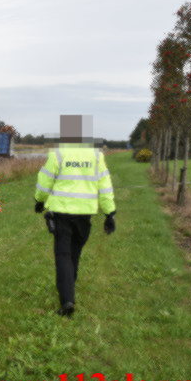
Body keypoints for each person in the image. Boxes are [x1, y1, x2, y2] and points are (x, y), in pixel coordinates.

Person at [34, 116, 116, 317]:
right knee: (75, 254)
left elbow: (45, 181)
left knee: (63, 255)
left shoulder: (58, 154)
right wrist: (109, 213)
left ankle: (67, 300)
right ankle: (69, 287)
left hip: (62, 213)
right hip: (84, 214)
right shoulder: (97, 156)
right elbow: (105, 186)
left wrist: (39, 200)